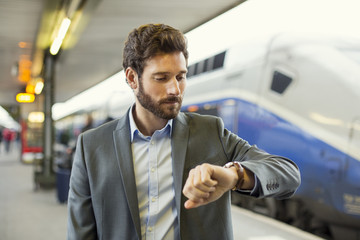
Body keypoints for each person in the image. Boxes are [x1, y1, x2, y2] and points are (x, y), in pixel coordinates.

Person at [67, 23, 301, 240]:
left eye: (181, 76)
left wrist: (234, 176)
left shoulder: (211, 132)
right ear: (132, 78)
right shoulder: (92, 147)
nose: (175, 89)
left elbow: (288, 174)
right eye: (161, 78)